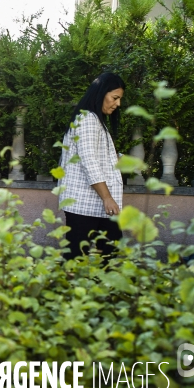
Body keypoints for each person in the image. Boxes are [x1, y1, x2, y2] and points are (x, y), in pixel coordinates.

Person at [57, 72, 126, 260]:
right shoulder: (87, 119)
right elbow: (89, 161)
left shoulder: (94, 120)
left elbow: (92, 156)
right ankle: (67, 288)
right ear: (101, 93)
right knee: (77, 257)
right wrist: (107, 198)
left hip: (95, 205)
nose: (117, 104)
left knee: (108, 250)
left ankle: (99, 287)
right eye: (115, 98)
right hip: (84, 204)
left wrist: (115, 159)